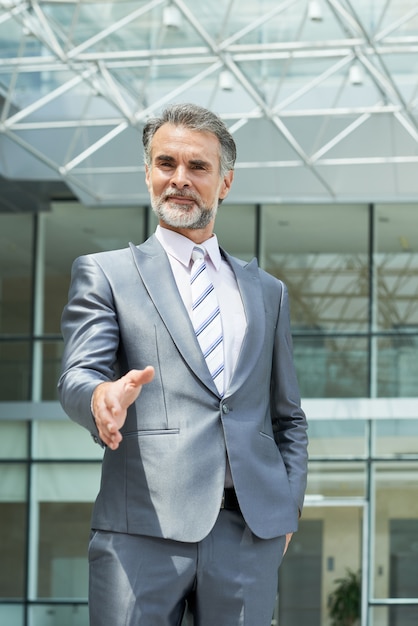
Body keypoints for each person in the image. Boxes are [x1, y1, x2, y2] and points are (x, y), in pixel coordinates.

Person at [58, 102, 308, 626]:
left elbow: (288, 418)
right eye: (166, 163)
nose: (180, 179)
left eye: (198, 167)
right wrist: (101, 399)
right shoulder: (106, 274)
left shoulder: (268, 292)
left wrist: (288, 510)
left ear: (225, 183)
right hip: (140, 531)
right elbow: (79, 375)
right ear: (148, 173)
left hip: (247, 535)